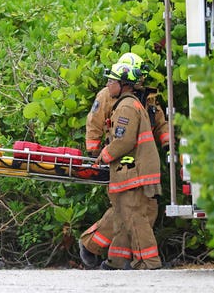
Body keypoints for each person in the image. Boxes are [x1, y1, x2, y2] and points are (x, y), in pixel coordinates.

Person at [79, 53, 168, 268]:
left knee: (132, 213)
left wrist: (168, 145)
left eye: (112, 81)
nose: (109, 84)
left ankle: (125, 259)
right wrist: (96, 155)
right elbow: (95, 126)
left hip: (132, 165)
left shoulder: (138, 100)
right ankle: (118, 259)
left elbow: (153, 127)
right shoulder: (110, 98)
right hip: (125, 165)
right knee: (128, 212)